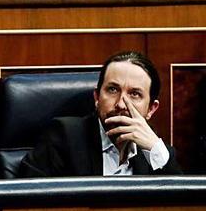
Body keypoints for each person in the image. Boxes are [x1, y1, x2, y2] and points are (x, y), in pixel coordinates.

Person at [19, 51, 182, 177]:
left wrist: (156, 150)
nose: (120, 104)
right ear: (97, 97)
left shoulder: (156, 152)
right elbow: (26, 200)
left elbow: (181, 210)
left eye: (135, 94)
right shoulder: (64, 137)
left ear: (151, 109)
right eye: (113, 90)